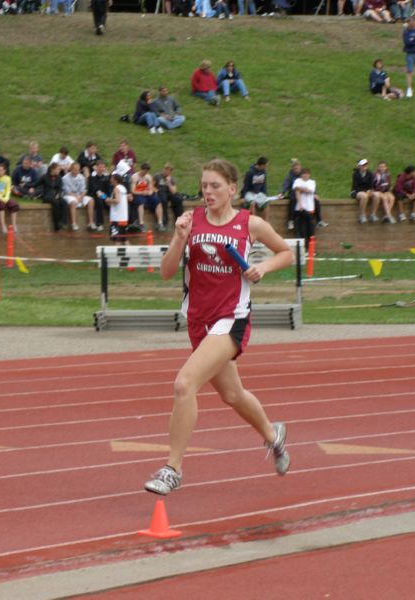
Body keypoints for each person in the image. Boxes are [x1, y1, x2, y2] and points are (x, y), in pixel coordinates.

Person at [143, 158, 292, 497]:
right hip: (198, 320)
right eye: (204, 186)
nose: (207, 192)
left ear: (232, 189)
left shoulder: (249, 224)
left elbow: (286, 253)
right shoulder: (190, 221)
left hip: (232, 319)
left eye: (214, 186)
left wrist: (263, 268)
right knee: (232, 394)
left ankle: (172, 469)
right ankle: (273, 436)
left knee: (185, 384)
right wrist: (179, 239)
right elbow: (167, 271)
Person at [62, 162, 99, 232]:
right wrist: (76, 197)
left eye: (78, 170)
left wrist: (81, 197)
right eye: (75, 170)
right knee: (73, 202)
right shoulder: (65, 178)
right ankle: (74, 223)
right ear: (71, 169)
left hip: (80, 195)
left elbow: (84, 190)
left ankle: (91, 223)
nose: (77, 171)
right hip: (69, 195)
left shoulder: (81, 177)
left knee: (91, 200)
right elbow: (67, 191)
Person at [130, 162, 164, 232]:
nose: (145, 173)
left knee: (158, 202)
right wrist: (142, 192)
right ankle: (141, 223)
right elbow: (133, 191)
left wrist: (149, 192)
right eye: (144, 171)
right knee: (140, 203)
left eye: (147, 171)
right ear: (141, 169)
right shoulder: (135, 177)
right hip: (138, 194)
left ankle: (160, 223)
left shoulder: (148, 177)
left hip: (147, 194)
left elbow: (151, 188)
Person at [293, 167, 318, 250]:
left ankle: (310, 249)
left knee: (310, 230)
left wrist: (300, 189)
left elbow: (310, 190)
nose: (305, 175)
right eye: (303, 174)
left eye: (306, 174)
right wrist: (302, 189)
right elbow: (296, 189)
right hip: (300, 209)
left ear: (309, 175)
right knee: (301, 230)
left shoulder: (312, 182)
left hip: (310, 208)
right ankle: (303, 249)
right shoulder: (297, 181)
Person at [0, 162, 19, 234]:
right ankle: (3, 225)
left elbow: (8, 190)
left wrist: (6, 198)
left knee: (14, 205)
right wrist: (3, 199)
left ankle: (14, 224)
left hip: (4, 197)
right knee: (1, 204)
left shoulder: (8, 178)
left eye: (0, 170)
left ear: (4, 171)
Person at [154, 163, 184, 229]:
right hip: (160, 192)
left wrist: (169, 183)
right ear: (164, 169)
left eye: (169, 171)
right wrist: (155, 190)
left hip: (169, 193)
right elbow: (152, 185)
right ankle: (164, 221)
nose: (166, 172)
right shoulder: (157, 176)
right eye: (166, 170)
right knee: (163, 200)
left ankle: (179, 220)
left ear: (171, 172)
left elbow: (174, 191)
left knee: (178, 199)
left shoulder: (172, 179)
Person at [40, 162, 66, 232]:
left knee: (64, 202)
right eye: (57, 169)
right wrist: (27, 186)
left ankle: (62, 222)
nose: (59, 171)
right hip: (47, 196)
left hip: (56, 195)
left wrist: (58, 194)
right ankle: (56, 225)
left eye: (59, 170)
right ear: (52, 169)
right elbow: (36, 184)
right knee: (56, 202)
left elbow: (60, 189)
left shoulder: (59, 178)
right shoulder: (45, 177)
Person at [352, 158, 378, 224]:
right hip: (356, 191)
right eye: (363, 165)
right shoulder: (355, 174)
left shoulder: (370, 173)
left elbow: (371, 185)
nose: (365, 166)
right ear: (359, 166)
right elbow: (355, 186)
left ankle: (373, 214)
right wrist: (365, 191)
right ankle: (362, 215)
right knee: (364, 196)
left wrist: (370, 190)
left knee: (376, 195)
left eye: (366, 165)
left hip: (367, 191)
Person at [88, 160, 111, 231]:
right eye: (100, 167)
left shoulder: (106, 177)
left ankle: (115, 223)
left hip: (104, 196)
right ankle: (99, 223)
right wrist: (105, 197)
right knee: (99, 203)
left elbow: (108, 189)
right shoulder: (92, 177)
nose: (101, 169)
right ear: (96, 168)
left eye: (103, 167)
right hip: (95, 196)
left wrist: (108, 198)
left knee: (113, 203)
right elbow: (95, 190)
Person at [106, 173, 129, 246]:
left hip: (117, 218)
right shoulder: (123, 188)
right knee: (124, 239)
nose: (110, 180)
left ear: (115, 180)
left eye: (112, 178)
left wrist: (108, 200)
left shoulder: (116, 189)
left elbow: (117, 200)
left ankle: (117, 256)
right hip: (123, 217)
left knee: (117, 240)